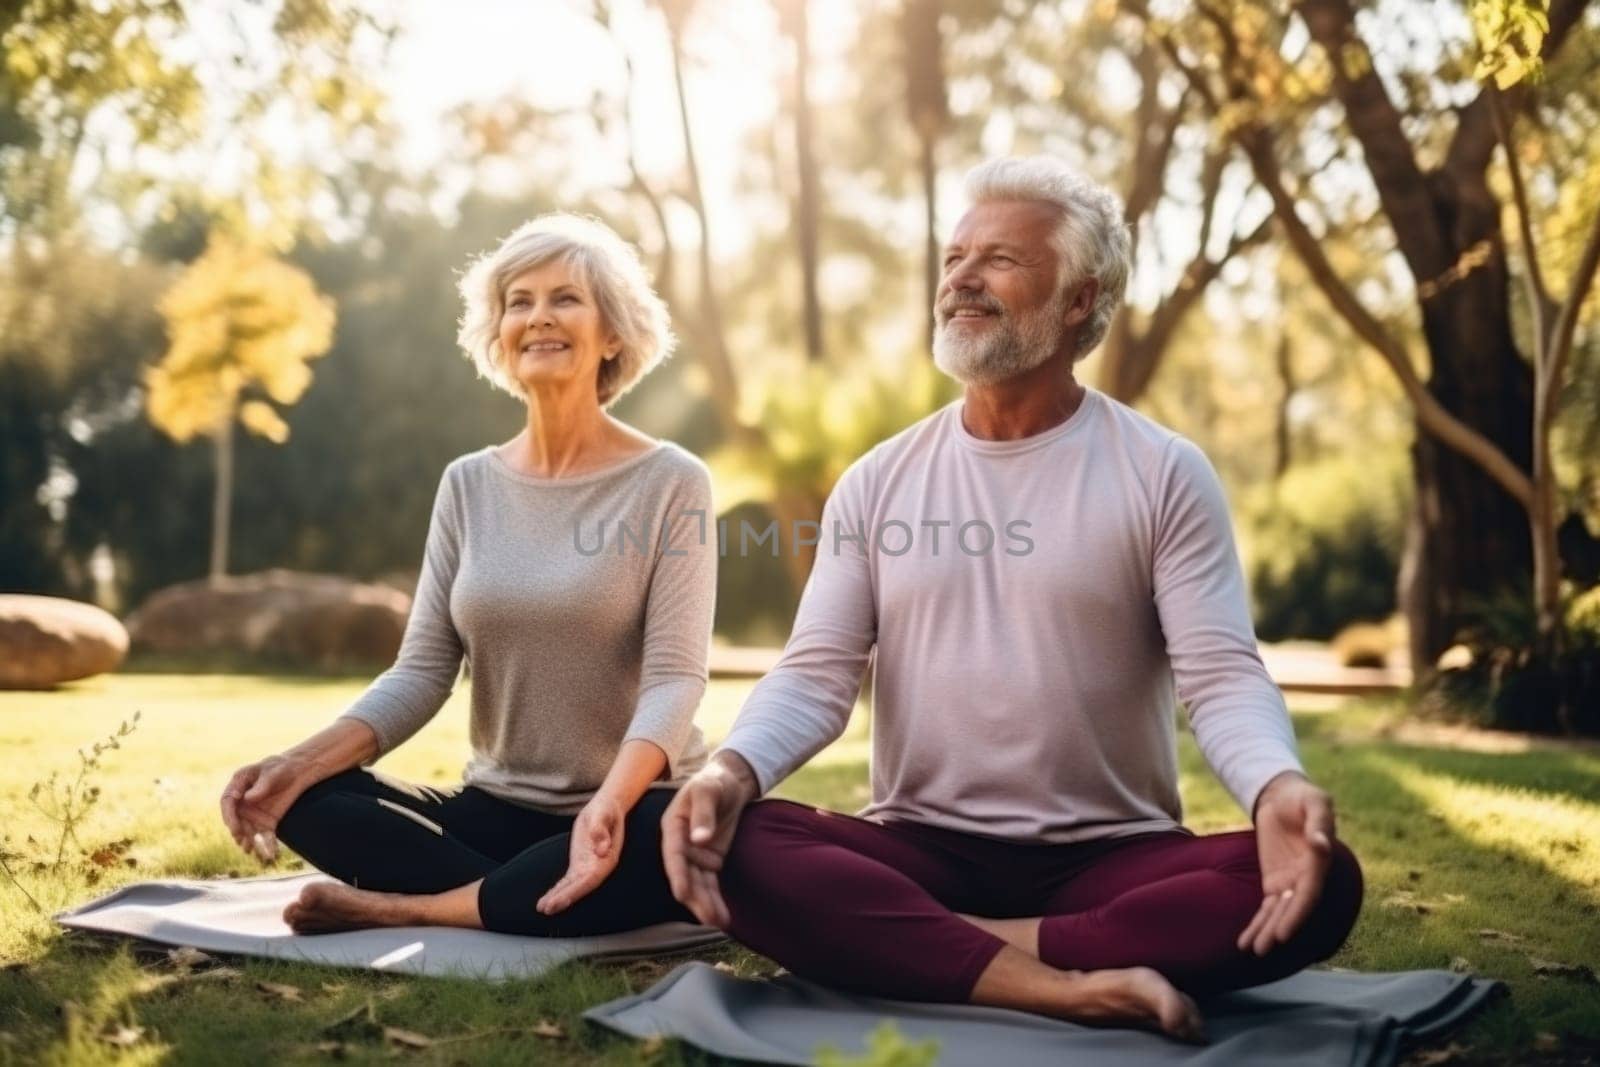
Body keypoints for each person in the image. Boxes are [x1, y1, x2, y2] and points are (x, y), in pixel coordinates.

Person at [661, 157, 1362, 1042]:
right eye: (955, 256)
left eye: (998, 258)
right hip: (920, 847)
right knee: (741, 837)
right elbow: (815, 676)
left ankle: (940, 951)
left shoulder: (1163, 472)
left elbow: (1220, 676)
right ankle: (1063, 985)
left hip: (1112, 857)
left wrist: (1275, 785)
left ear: (1079, 298)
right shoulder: (879, 479)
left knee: (1323, 877)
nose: (959, 276)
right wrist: (729, 770)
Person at [219, 214, 716, 938]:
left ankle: (407, 907)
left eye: (566, 299)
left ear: (613, 333)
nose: (538, 316)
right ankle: (512, 899)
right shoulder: (468, 484)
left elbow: (676, 678)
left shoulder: (672, 481)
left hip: (631, 801)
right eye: (519, 301)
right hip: (496, 812)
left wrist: (609, 803)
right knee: (311, 800)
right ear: (500, 335)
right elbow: (422, 670)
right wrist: (296, 762)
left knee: (672, 838)